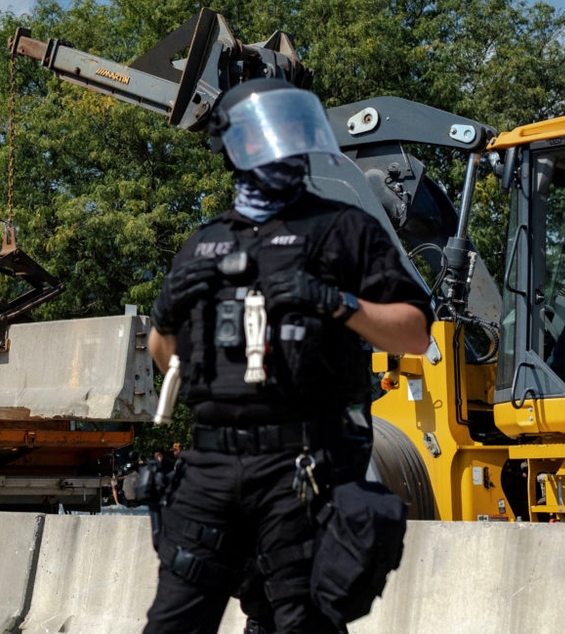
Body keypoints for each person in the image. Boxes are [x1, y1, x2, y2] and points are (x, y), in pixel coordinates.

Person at [144, 79, 432, 634]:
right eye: (271, 136)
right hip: (210, 466)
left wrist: (337, 302)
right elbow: (167, 360)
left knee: (301, 623)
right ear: (234, 149)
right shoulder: (204, 242)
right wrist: (166, 316)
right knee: (172, 621)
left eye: (296, 134)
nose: (286, 149)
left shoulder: (344, 229)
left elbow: (415, 334)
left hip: (303, 464)